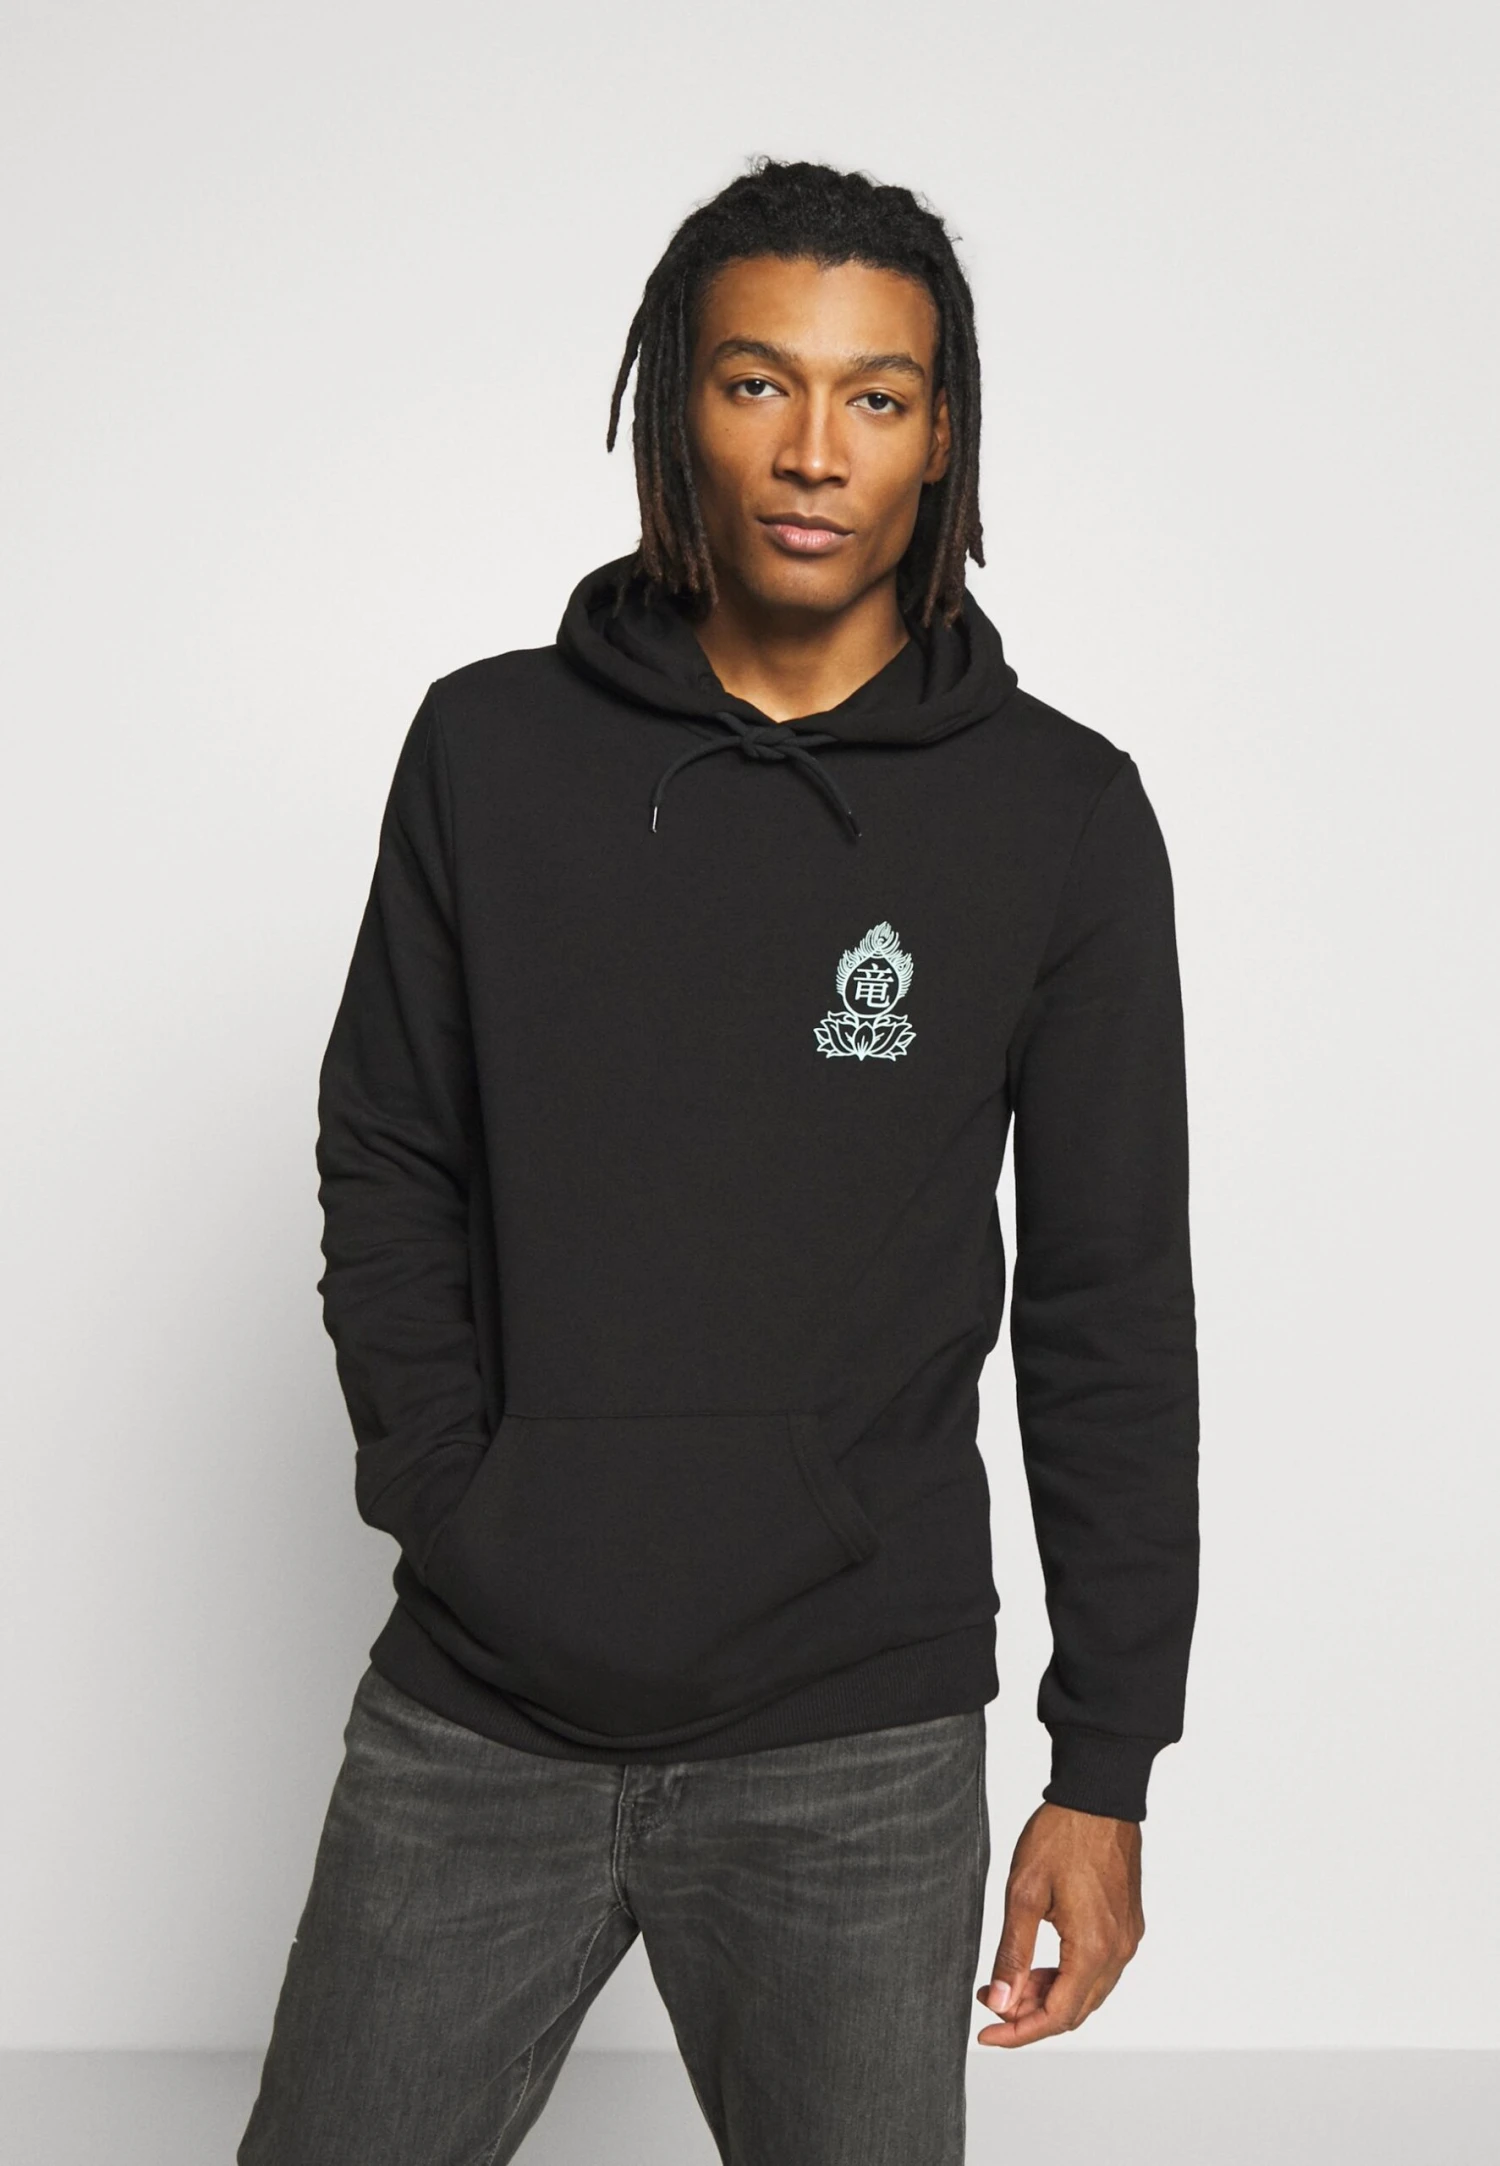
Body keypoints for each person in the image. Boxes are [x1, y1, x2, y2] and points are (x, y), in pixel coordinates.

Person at [238, 156, 1199, 2166]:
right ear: (678, 399)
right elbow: (388, 1157)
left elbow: (1109, 1308)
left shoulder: (1060, 815)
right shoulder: (490, 751)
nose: (814, 450)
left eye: (876, 395)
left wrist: (1104, 1764)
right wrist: (462, 1509)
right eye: (760, 381)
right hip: (481, 1706)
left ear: (942, 435)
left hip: (856, 1732)